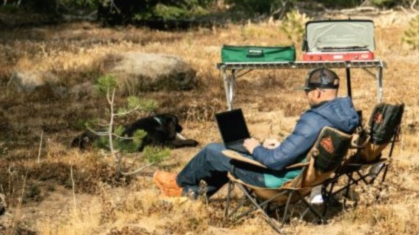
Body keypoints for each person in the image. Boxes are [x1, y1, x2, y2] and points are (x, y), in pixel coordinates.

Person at [153, 68, 359, 199]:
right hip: (299, 172)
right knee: (229, 157)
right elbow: (301, 148)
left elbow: (276, 162)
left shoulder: (314, 119)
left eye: (307, 92)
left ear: (317, 93)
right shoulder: (343, 115)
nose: (306, 96)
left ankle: (179, 184)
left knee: (213, 152)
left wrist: (256, 148)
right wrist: (277, 147)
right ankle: (194, 194)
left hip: (279, 180)